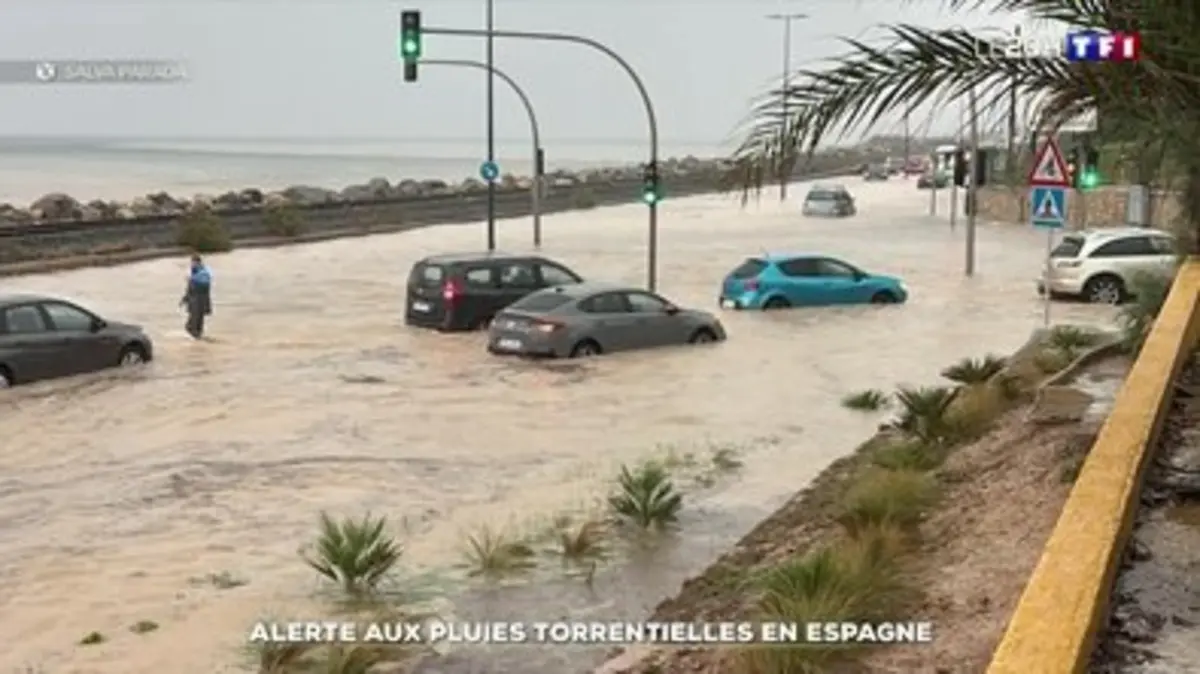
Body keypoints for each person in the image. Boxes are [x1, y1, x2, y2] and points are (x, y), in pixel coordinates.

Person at [180, 254, 213, 338]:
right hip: (193, 300)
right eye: (192, 262)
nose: (193, 264)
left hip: (200, 300)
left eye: (194, 262)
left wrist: (192, 278)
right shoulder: (193, 271)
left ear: (198, 262)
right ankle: (197, 338)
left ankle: (197, 339)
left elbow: (205, 282)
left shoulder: (204, 272)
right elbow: (189, 288)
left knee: (196, 322)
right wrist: (184, 299)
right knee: (191, 324)